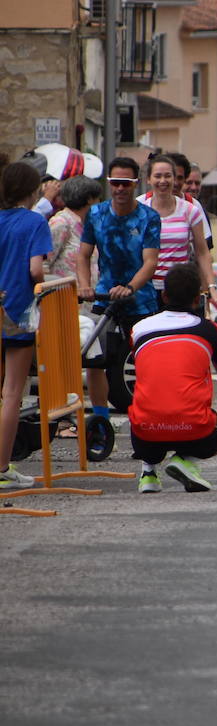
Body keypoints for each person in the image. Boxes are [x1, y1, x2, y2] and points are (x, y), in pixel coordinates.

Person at [127, 263, 217, 493]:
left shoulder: (139, 329)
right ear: (198, 300)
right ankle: (186, 461)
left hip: (144, 437)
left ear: (164, 296)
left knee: (151, 397)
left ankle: (148, 473)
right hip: (195, 433)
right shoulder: (209, 330)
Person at [76, 157, 161, 425]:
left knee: (145, 363)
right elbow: (83, 255)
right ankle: (100, 419)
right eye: (115, 183)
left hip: (141, 301)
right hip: (104, 297)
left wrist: (130, 287)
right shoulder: (97, 214)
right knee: (96, 360)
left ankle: (146, 416)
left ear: (135, 184)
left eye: (126, 183)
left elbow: (150, 262)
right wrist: (85, 285)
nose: (120, 189)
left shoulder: (149, 217)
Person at [0, 161, 54, 490]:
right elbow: (36, 270)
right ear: (32, 190)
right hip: (19, 313)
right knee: (12, 394)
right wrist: (47, 285)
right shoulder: (35, 222)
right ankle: (2, 467)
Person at [142, 155, 217, 311]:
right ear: (148, 179)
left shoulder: (190, 210)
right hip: (146, 289)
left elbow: (203, 252)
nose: (163, 181)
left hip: (179, 289)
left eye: (168, 176)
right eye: (157, 176)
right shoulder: (139, 208)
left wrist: (211, 288)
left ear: (175, 179)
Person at [45, 175, 103, 281]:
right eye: (98, 199)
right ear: (90, 199)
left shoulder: (88, 225)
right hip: (64, 294)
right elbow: (45, 262)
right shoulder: (61, 223)